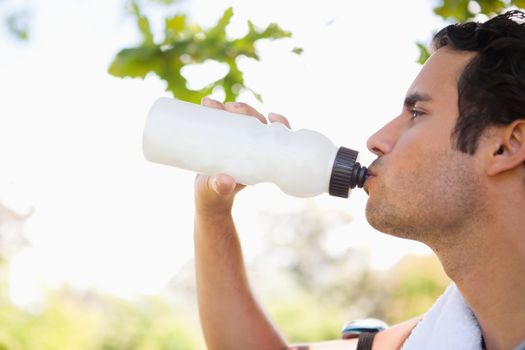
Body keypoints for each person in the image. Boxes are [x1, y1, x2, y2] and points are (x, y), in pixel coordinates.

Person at [192, 10, 525, 350]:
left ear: (506, 146)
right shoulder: (445, 332)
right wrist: (213, 210)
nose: (376, 139)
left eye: (417, 114)